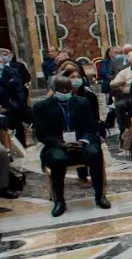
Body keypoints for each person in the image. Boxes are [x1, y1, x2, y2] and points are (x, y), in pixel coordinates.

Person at [33, 75, 111, 217]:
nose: (64, 92)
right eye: (60, 90)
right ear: (53, 89)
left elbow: (91, 127)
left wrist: (83, 141)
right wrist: (60, 144)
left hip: (81, 142)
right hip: (57, 144)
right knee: (57, 159)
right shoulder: (41, 107)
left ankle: (100, 195)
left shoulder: (82, 102)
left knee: (94, 154)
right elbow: (41, 134)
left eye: (67, 89)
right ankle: (60, 201)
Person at [110, 52, 132, 143]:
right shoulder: (124, 72)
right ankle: (123, 129)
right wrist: (121, 83)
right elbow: (113, 84)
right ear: (129, 64)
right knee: (119, 105)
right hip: (128, 96)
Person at [0, 48, 30, 145]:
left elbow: (19, 90)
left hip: (10, 106)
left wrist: (13, 105)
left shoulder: (12, 71)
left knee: (17, 125)